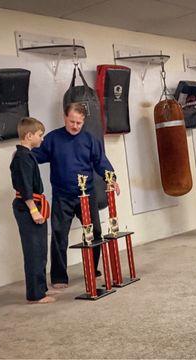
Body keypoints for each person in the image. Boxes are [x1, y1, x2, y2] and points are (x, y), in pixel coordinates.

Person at [33, 102, 119, 289]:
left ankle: (93, 269)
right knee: (59, 235)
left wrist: (111, 178)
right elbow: (36, 156)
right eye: (72, 121)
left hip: (87, 195)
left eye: (79, 123)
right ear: (65, 117)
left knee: (96, 233)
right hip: (62, 196)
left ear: (83, 121)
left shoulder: (89, 140)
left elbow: (100, 162)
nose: (75, 126)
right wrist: (23, 152)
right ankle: (59, 277)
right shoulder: (53, 139)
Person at [10, 117, 57, 304]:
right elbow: (25, 186)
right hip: (28, 206)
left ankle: (41, 289)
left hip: (35, 204)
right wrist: (33, 210)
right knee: (33, 251)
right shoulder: (22, 157)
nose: (42, 139)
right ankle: (35, 294)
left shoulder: (27, 155)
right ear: (29, 135)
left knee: (40, 249)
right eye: (40, 135)